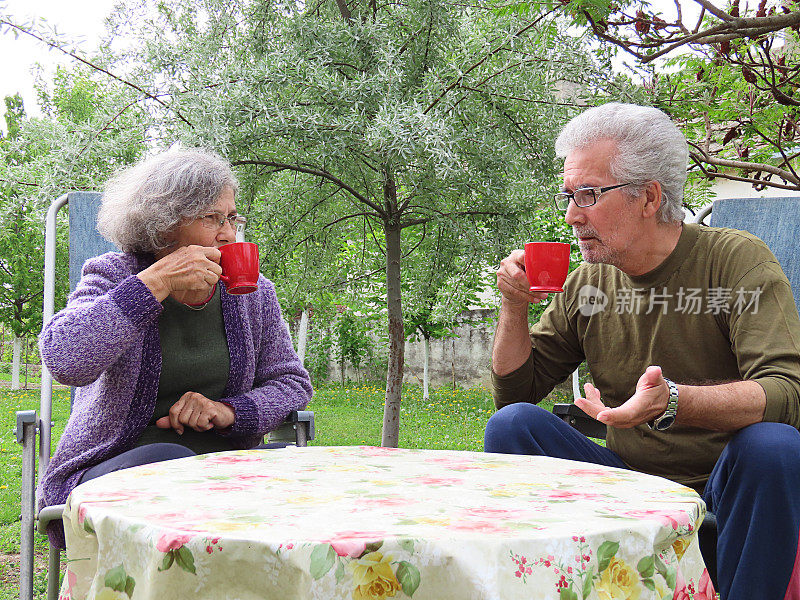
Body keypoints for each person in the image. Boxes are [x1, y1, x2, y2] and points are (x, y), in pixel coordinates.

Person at [484, 103, 800, 600]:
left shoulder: (736, 260)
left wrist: (673, 402)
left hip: (723, 483)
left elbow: (786, 393)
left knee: (774, 446)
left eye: (589, 194)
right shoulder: (589, 280)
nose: (571, 215)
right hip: (627, 484)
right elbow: (514, 390)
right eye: (569, 195)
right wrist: (512, 308)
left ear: (649, 197)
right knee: (513, 426)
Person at [39, 148, 313, 547]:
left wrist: (228, 411)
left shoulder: (253, 293)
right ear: (165, 226)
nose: (228, 233)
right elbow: (65, 359)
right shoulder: (114, 276)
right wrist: (155, 283)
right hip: (116, 478)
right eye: (211, 218)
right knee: (169, 463)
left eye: (231, 218)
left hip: (224, 477)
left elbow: (292, 384)